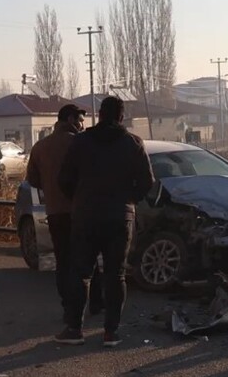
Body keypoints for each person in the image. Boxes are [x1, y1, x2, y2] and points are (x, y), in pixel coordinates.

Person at [57, 96, 155, 347]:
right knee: (116, 274)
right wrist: (128, 200)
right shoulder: (133, 143)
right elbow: (147, 182)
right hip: (119, 217)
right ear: (122, 116)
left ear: (99, 114)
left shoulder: (81, 142)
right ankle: (111, 332)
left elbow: (64, 178)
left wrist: (79, 199)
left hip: (85, 215)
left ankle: (74, 328)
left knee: (80, 272)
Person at [26, 104, 87, 324]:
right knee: (83, 260)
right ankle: (85, 305)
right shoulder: (79, 144)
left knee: (62, 260)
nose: (82, 125)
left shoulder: (41, 147)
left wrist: (49, 184)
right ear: (71, 119)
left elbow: (32, 179)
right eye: (80, 120)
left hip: (54, 211)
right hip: (80, 211)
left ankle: (67, 304)